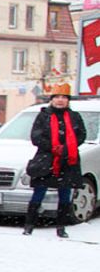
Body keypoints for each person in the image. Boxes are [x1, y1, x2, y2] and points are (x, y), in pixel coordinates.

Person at [25, 83, 86, 238]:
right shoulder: (44, 115)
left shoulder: (74, 116)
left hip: (67, 161)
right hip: (46, 160)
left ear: (68, 100)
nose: (60, 100)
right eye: (57, 97)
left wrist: (65, 148)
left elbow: (81, 135)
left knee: (65, 195)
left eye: (64, 97)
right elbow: (36, 137)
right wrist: (53, 147)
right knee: (38, 194)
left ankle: (61, 227)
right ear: (51, 99)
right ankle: (29, 225)